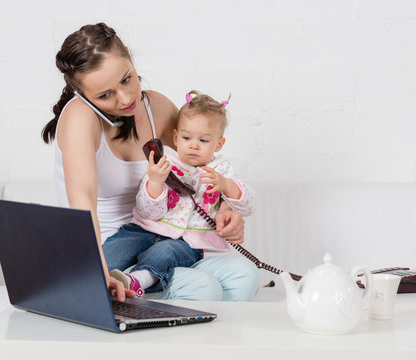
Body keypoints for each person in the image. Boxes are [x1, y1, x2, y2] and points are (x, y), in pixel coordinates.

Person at [41, 22, 259, 301]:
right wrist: (95, 271)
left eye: (126, 79)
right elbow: (82, 201)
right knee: (203, 287)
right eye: (105, 95)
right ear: (82, 93)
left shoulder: (157, 107)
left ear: (130, 58)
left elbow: (201, 166)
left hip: (167, 240)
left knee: (245, 275)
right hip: (110, 248)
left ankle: (147, 291)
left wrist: (228, 208)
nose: (125, 97)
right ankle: (130, 287)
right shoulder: (79, 117)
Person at [105, 90, 256, 296]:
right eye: (187, 137)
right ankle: (84, 281)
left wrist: (227, 186)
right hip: (144, 229)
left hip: (186, 242)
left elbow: (248, 205)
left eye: (203, 141)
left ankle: (137, 280)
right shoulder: (165, 162)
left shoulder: (221, 170)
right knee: (116, 250)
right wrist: (156, 182)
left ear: (218, 144)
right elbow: (148, 212)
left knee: (164, 253)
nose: (193, 145)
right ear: (175, 137)